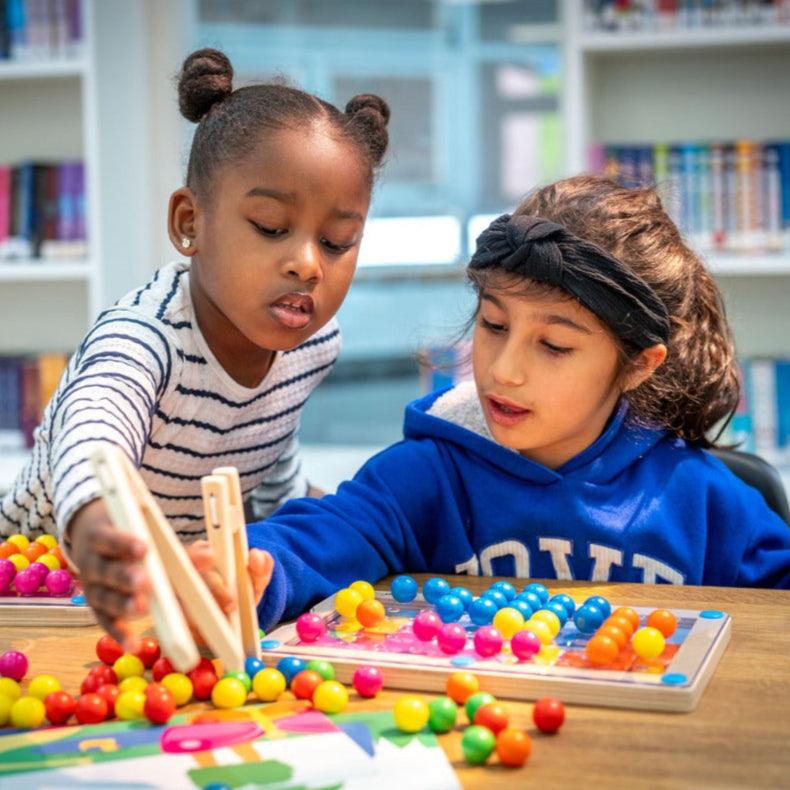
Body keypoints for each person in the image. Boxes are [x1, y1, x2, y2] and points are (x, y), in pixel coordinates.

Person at [236, 175, 790, 631]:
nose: (503, 370)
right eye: (493, 324)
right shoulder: (427, 479)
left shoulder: (701, 499)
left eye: (554, 345)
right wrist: (241, 574)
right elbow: (311, 542)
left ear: (639, 365)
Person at [0, 47, 390, 644]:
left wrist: (304, 522)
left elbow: (263, 444)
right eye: (270, 228)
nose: (308, 264)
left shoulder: (313, 345)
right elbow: (92, 431)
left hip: (161, 601)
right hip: (39, 583)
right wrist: (99, 527)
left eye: (338, 241)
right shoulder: (145, 336)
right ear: (190, 223)